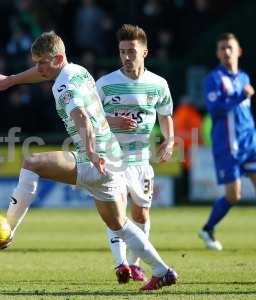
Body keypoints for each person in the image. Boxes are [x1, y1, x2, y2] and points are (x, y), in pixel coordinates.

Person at [0, 31, 177, 291]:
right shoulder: (78, 71)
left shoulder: (64, 86)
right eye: (37, 62)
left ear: (59, 58)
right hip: (113, 159)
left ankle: (7, 231)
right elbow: (40, 74)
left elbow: (81, 118)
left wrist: (90, 151)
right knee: (119, 224)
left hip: (94, 158)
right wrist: (11, 80)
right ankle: (162, 270)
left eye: (43, 62)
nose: (39, 67)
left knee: (32, 162)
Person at [96, 24, 174, 282]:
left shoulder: (158, 84)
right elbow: (88, 119)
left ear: (145, 52)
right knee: (116, 213)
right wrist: (112, 122)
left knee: (141, 214)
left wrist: (169, 139)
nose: (126, 56)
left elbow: (165, 115)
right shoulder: (106, 85)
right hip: (112, 160)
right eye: (122, 51)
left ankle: (135, 263)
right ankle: (121, 265)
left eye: (131, 51)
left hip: (141, 160)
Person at [199, 32, 255, 251]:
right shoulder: (213, 79)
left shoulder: (244, 77)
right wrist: (241, 95)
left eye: (230, 47)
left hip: (249, 143)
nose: (226, 52)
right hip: (228, 146)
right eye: (222, 48)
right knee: (234, 195)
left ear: (239, 51)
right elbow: (215, 108)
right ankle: (207, 229)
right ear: (217, 53)